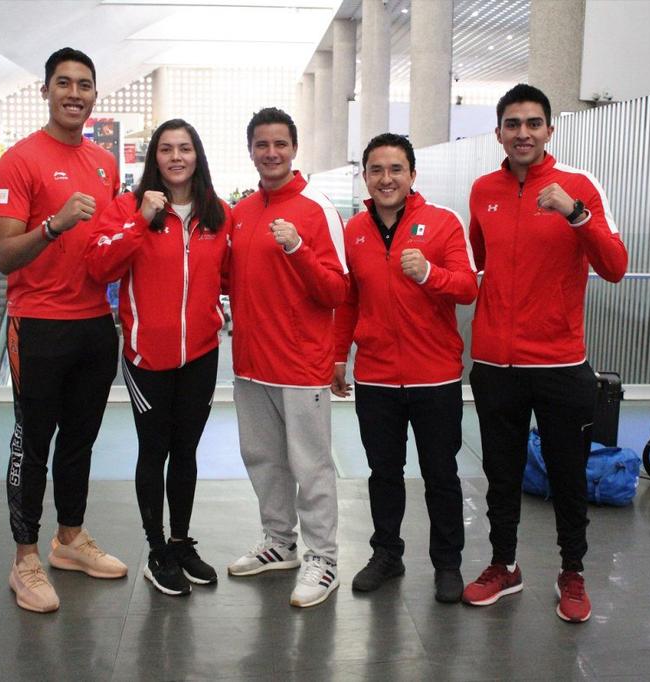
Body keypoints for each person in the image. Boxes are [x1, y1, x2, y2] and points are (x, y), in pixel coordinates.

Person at [463, 84, 627, 623]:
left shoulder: (578, 186)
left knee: (567, 476)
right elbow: (480, 259)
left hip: (560, 364)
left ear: (549, 130)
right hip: (494, 365)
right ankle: (504, 566)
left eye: (533, 123)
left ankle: (572, 572)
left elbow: (615, 265)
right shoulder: (482, 189)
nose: (523, 133)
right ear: (499, 133)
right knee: (502, 475)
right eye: (512, 124)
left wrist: (576, 214)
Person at [0, 47, 127, 614]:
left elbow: (111, 243)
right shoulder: (17, 162)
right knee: (33, 441)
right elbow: (3, 256)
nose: (75, 93)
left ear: (96, 95)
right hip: (39, 324)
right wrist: (52, 225)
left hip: (95, 324)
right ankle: (25, 559)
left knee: (80, 441)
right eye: (64, 83)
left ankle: (69, 538)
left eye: (85, 85)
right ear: (45, 91)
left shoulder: (103, 163)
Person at [86, 119, 231, 597]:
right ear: (155, 158)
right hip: (147, 357)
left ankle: (179, 541)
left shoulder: (217, 214)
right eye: (166, 149)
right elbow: (101, 266)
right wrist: (140, 220)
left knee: (186, 452)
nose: (176, 157)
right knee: (155, 450)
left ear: (197, 155)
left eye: (184, 148)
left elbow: (229, 276)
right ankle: (155, 550)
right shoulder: (129, 209)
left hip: (202, 355)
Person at [331, 133, 477, 603]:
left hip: (435, 376)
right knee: (384, 472)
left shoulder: (442, 222)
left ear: (412, 175)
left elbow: (468, 289)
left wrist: (430, 275)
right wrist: (339, 356)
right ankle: (387, 554)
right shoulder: (353, 230)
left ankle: (448, 563)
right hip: (375, 377)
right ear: (366, 177)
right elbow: (349, 300)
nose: (386, 178)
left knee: (440, 474)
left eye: (396, 169)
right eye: (376, 170)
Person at [226, 107, 348, 608]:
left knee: (311, 467)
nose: (271, 153)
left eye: (279, 144)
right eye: (261, 144)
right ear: (251, 150)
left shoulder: (317, 208)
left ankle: (324, 559)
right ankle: (280, 543)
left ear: (294, 148)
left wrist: (298, 248)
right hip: (251, 365)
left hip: (301, 367)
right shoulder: (241, 212)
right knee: (264, 461)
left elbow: (337, 290)